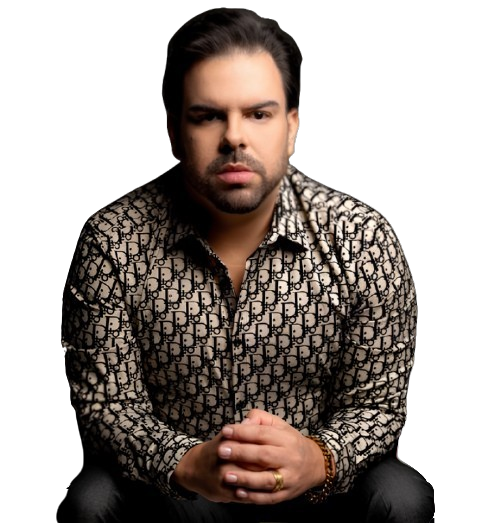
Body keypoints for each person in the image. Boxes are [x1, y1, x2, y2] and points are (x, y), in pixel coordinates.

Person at [58, 7, 434, 522]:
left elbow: (379, 406)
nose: (234, 136)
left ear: (292, 126)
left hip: (320, 492)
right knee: (91, 499)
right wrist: (187, 463)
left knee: (401, 496)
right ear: (173, 131)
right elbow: (107, 408)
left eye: (259, 114)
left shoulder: (364, 238)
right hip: (175, 492)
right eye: (207, 115)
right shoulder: (112, 240)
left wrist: (318, 458)